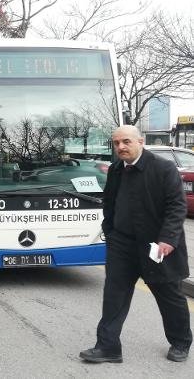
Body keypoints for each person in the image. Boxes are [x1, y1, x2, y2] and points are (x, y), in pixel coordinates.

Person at [80, 125, 192, 364]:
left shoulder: (164, 168)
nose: (121, 147)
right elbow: (109, 202)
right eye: (116, 143)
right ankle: (108, 347)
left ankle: (181, 342)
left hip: (158, 246)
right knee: (114, 296)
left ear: (140, 141)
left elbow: (177, 206)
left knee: (169, 296)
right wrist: (110, 230)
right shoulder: (115, 170)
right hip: (122, 244)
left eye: (126, 142)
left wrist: (167, 239)